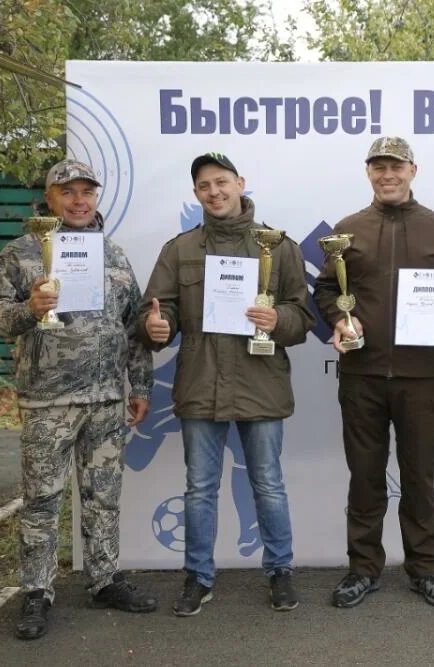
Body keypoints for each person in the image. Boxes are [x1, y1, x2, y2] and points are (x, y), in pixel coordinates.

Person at [0, 159, 156, 640]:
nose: (79, 201)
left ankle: (104, 580)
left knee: (104, 498)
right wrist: (27, 309)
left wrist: (139, 387)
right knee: (42, 501)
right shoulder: (20, 254)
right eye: (68, 192)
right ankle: (36, 591)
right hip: (47, 404)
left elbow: (135, 329)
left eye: (87, 192)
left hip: (105, 401)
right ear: (49, 198)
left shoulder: (115, 256)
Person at [138, 153, 314, 616]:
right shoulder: (180, 250)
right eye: (203, 186)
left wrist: (279, 318)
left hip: (262, 383)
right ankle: (198, 577)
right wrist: (156, 327)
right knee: (200, 488)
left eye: (221, 182)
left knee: (268, 484)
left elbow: (303, 316)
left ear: (240, 183)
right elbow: (158, 310)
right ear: (196, 194)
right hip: (200, 384)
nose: (214, 192)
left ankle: (279, 570)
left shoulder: (279, 247)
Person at [313, 137, 434, 609]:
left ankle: (425, 568)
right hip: (361, 375)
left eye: (396, 166)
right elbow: (326, 290)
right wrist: (339, 318)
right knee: (364, 476)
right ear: (368, 172)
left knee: (419, 477)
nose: (388, 174)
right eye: (379, 166)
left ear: (413, 170)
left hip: (420, 376)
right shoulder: (347, 230)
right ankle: (362, 568)